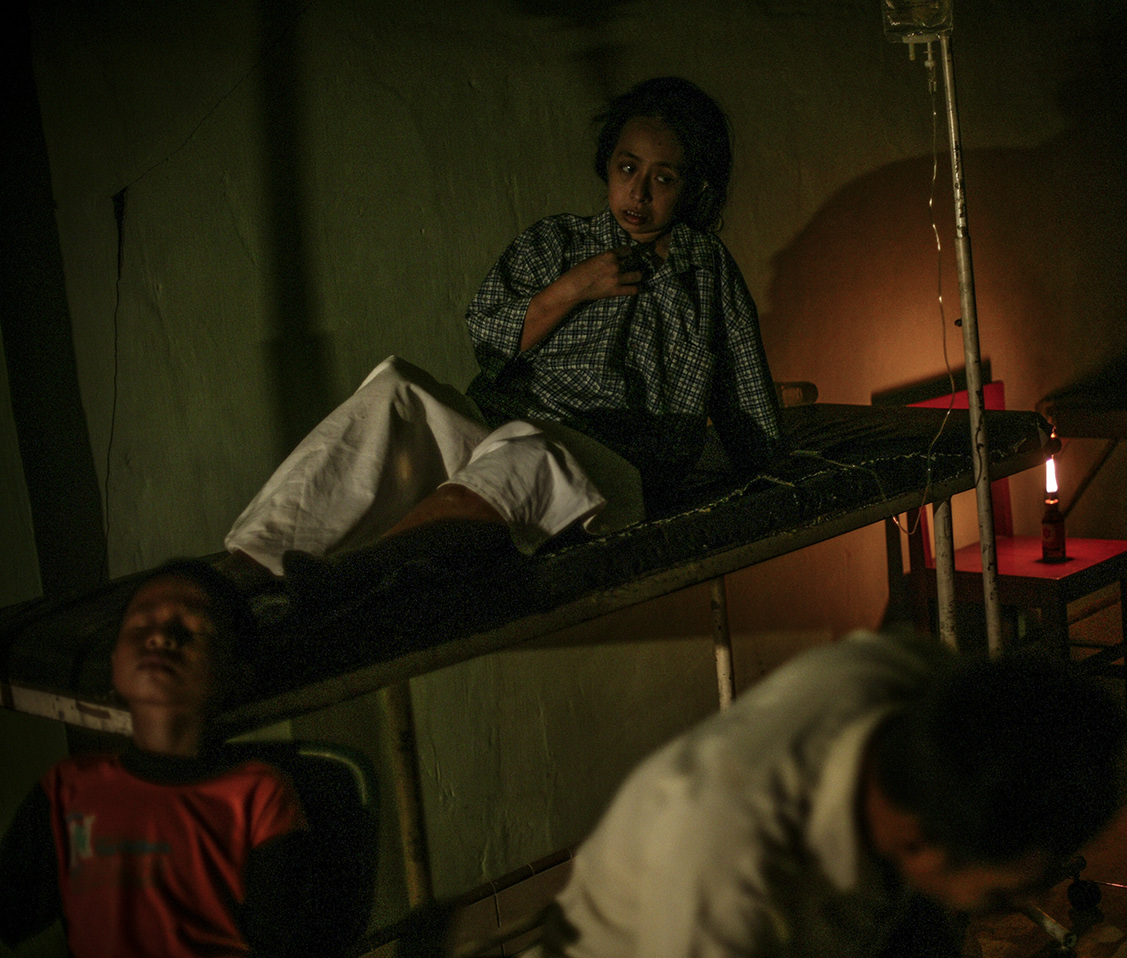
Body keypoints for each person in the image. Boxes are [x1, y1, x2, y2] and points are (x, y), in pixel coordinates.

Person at [219, 77, 783, 599]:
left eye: (664, 178)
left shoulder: (706, 272)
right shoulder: (559, 242)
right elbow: (489, 346)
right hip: (500, 425)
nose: (638, 194)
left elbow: (744, 393)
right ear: (607, 165)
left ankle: (357, 577)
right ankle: (246, 569)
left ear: (694, 187)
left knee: (529, 455)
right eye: (627, 168)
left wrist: (772, 467)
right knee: (396, 388)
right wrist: (571, 289)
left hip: (605, 472)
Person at [530, 632, 1125, 958]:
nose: (1016, 905)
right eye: (999, 896)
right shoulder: (726, 866)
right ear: (918, 843)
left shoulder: (917, 680)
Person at [0, 560, 312, 956]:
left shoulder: (258, 795)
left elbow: (284, 943)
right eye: (140, 626)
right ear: (114, 664)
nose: (161, 637)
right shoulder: (67, 790)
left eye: (193, 630)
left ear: (236, 673)